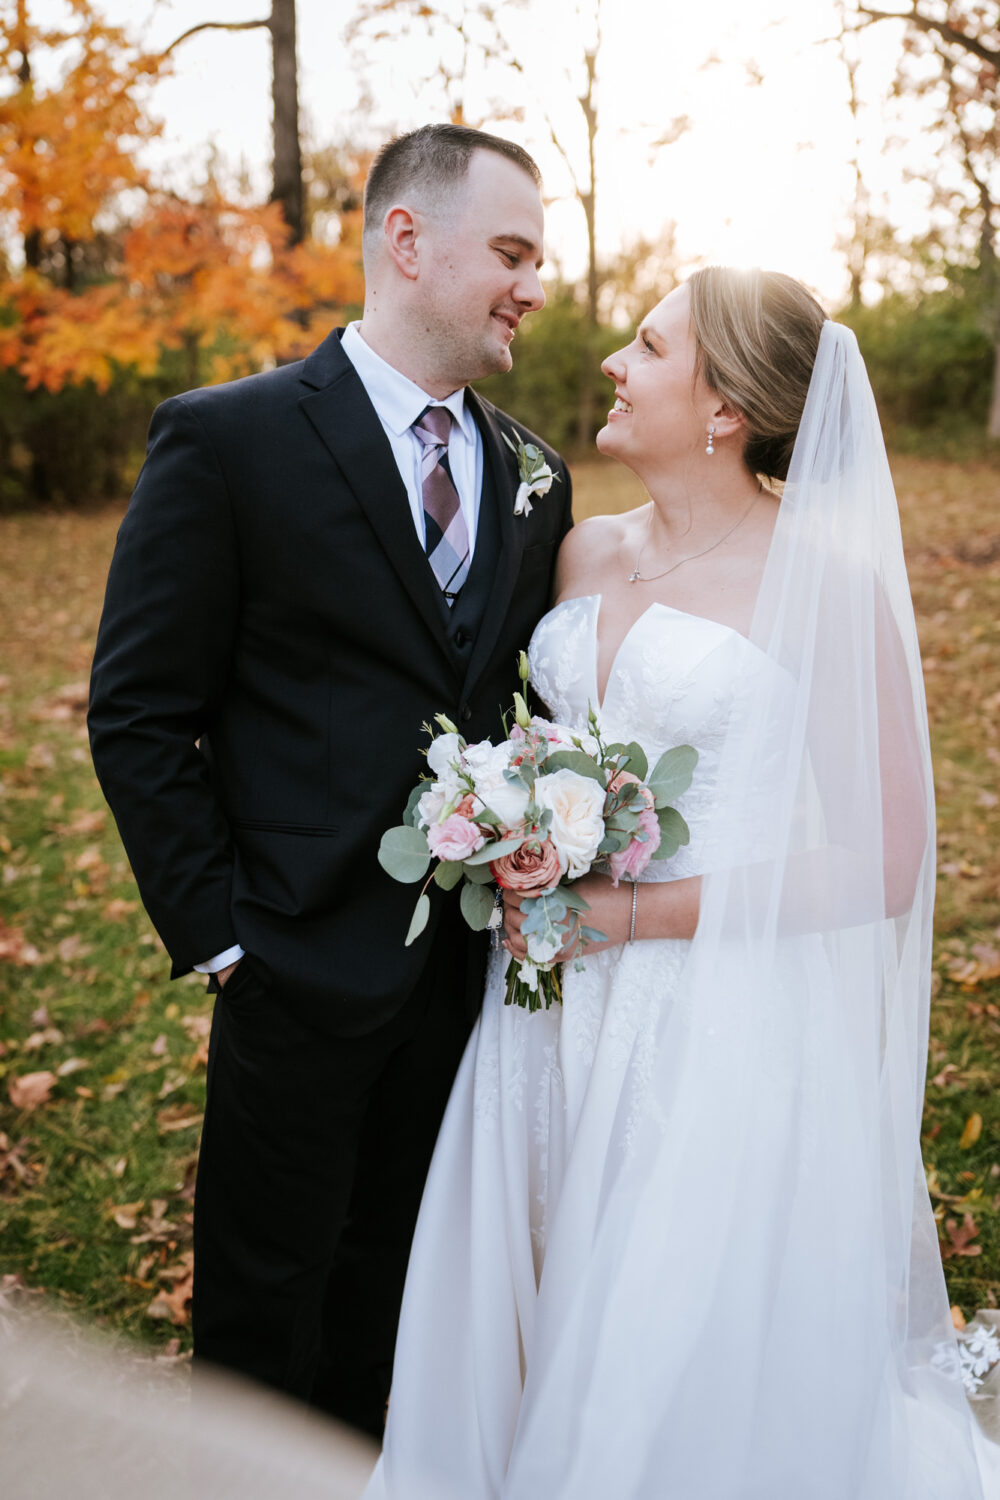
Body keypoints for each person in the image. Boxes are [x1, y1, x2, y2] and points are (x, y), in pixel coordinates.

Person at [364, 268, 1000, 1497]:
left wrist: (633, 913)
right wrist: (503, 833)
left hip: (718, 1019)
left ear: (722, 410)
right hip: (542, 1010)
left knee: (662, 1324)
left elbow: (884, 861)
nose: (611, 359)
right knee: (539, 1283)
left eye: (646, 346)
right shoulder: (581, 549)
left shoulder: (824, 590)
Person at [87, 122, 572, 1440]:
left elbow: (514, 696)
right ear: (408, 240)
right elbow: (138, 714)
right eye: (514, 252)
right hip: (290, 968)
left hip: (465, 982)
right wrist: (225, 941)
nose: (536, 284)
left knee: (405, 1301)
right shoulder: (228, 441)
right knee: (262, 1314)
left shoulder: (536, 475)